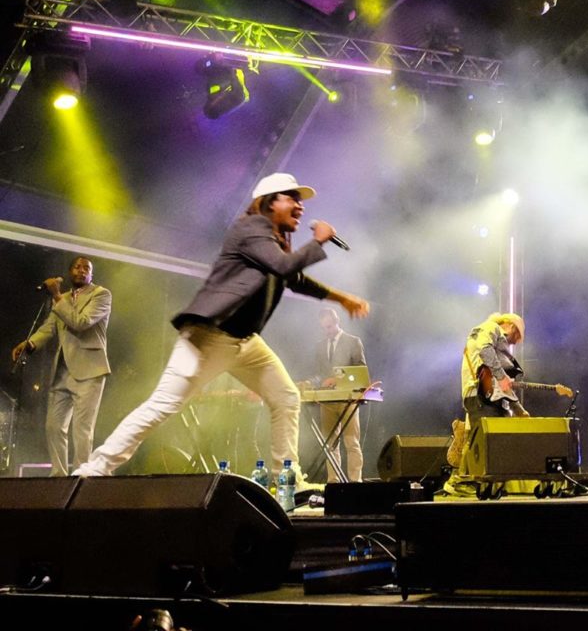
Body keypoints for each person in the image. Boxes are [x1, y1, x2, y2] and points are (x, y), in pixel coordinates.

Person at [74, 173, 369, 480]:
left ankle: (287, 478)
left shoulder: (274, 242)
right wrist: (319, 239)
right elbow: (284, 267)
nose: (300, 207)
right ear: (268, 202)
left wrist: (341, 298)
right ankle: (95, 468)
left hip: (245, 342)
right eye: (292, 198)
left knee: (285, 397)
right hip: (208, 338)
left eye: (300, 201)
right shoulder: (251, 228)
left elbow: (294, 278)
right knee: (163, 404)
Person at [10, 256, 111, 475]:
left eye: (87, 268)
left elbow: (81, 322)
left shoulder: (101, 295)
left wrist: (56, 296)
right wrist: (29, 343)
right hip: (62, 372)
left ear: (91, 274)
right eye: (77, 267)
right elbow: (49, 328)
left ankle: (82, 478)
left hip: (90, 371)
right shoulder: (63, 298)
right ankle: (59, 476)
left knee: (82, 430)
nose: (82, 271)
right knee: (53, 427)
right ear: (70, 272)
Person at [310, 307, 367, 483]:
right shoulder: (320, 346)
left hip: (348, 399)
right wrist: (313, 382)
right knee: (330, 444)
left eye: (329, 327)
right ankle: (334, 482)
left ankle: (355, 483)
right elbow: (319, 373)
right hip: (327, 401)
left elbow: (360, 371)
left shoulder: (353, 342)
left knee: (351, 442)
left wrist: (337, 379)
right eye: (324, 328)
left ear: (337, 322)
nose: (327, 331)